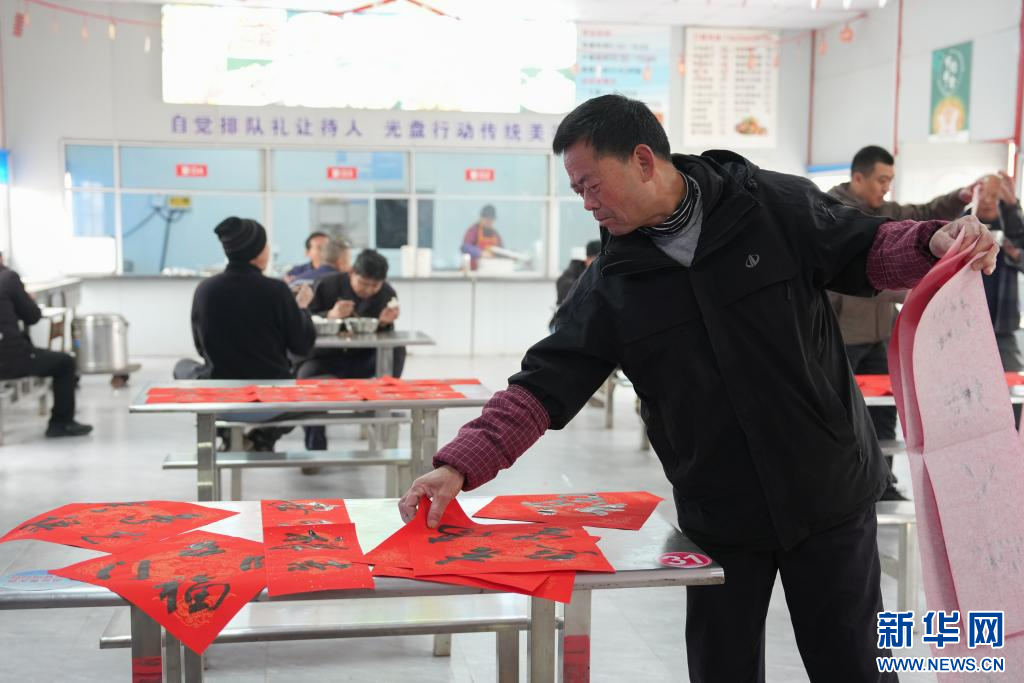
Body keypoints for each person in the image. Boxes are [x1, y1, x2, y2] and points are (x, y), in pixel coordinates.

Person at [398, 95, 998, 682]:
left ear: (642, 159)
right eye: (577, 191)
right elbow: (541, 386)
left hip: (827, 491)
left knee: (854, 666)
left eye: (591, 185)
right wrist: (459, 466)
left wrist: (931, 242)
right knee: (721, 669)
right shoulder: (613, 284)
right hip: (720, 511)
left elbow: (866, 247)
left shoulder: (770, 205)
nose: (586, 203)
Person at [828, 145, 980, 501]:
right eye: (881, 180)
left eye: (890, 181)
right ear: (858, 177)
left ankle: (883, 484)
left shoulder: (888, 212)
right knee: (842, 417)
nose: (886, 188)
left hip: (881, 336)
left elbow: (925, 214)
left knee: (885, 415)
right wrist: (905, 291)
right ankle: (844, 490)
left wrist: (960, 197)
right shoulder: (829, 213)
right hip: (842, 338)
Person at [176, 216, 316, 450]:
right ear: (258, 253)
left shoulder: (205, 290)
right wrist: (302, 308)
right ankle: (264, 437)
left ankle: (226, 435)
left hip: (221, 399)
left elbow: (201, 348)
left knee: (182, 367)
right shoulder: (277, 291)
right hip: (271, 401)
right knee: (318, 386)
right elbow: (302, 346)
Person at [297, 249, 402, 451]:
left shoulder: (386, 293)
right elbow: (303, 321)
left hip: (362, 359)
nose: (369, 290)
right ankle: (315, 447)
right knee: (306, 380)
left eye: (375, 285)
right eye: (363, 283)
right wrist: (330, 315)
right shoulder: (327, 285)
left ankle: (380, 405)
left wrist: (384, 323)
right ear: (352, 272)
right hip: (324, 360)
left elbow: (386, 336)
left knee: (397, 349)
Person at [0, 253, 92, 437]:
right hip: (10, 359)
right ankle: (61, 423)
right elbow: (33, 316)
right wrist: (29, 299)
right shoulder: (8, 279)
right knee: (65, 363)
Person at [974, 174, 1024, 372]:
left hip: (1001, 325)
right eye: (983, 194)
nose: (987, 201)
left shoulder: (1012, 227)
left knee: (1011, 379)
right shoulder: (961, 222)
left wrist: (1012, 205)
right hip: (966, 324)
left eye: (994, 196)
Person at [551, 239, 601, 331]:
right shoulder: (574, 269)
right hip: (565, 323)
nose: (599, 263)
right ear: (587, 259)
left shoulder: (606, 273)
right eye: (596, 259)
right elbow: (564, 285)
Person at [460, 205, 503, 270]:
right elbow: (465, 247)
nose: (489, 222)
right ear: (481, 218)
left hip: (490, 271)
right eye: (487, 219)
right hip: (472, 271)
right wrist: (480, 253)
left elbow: (501, 251)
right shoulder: (473, 231)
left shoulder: (496, 235)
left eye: (491, 219)